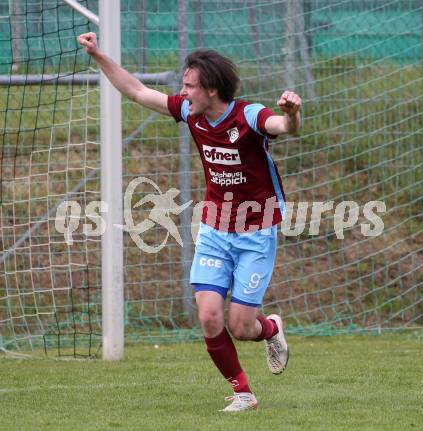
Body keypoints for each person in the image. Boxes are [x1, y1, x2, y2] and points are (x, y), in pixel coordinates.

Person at [78, 32, 302, 412]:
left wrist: (293, 112)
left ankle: (271, 329)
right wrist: (98, 55)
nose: (183, 91)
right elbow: (135, 91)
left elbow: (284, 126)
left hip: (256, 231)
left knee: (241, 326)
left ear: (211, 90)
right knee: (209, 316)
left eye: (189, 85)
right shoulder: (189, 112)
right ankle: (244, 393)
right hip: (216, 227)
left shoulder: (248, 116)